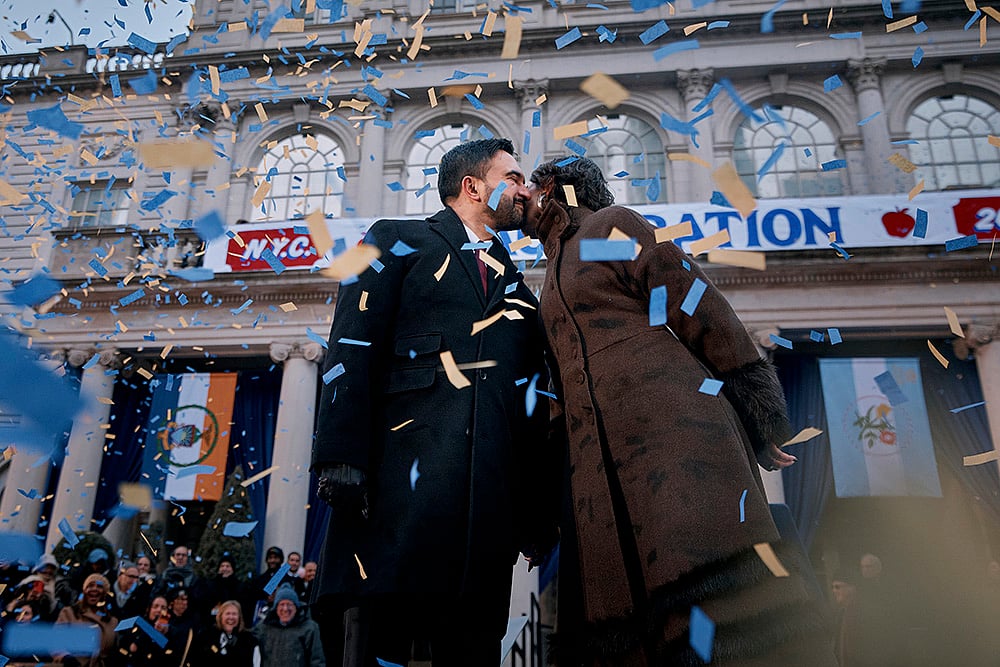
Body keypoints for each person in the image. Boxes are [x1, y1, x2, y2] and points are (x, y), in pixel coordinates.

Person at [522, 156, 835, 666]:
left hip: (677, 437)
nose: (521, 199)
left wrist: (758, 410)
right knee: (627, 619)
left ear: (554, 187)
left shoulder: (611, 224)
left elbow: (694, 301)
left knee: (710, 605)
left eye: (528, 187)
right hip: (605, 468)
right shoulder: (551, 267)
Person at [311, 137, 556, 666]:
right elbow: (350, 344)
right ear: (473, 187)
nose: (525, 189)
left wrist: (537, 514)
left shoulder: (522, 294)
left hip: (481, 533)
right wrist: (340, 457)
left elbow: (532, 408)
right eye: (512, 177)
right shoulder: (394, 239)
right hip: (395, 507)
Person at [55, 573, 119, 667]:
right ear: (84, 590)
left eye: (99, 586)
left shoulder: (113, 621)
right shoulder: (69, 613)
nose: (94, 589)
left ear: (105, 593)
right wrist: (65, 657)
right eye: (90, 585)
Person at [252, 585, 324, 667]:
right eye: (282, 604)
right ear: (276, 608)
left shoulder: (309, 629)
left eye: (289, 604)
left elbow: (317, 660)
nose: (285, 609)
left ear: (296, 607)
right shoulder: (264, 628)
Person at [195, 599, 258, 667]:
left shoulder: (249, 641)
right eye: (227, 613)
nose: (231, 617)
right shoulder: (206, 637)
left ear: (239, 617)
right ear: (220, 616)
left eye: (234, 614)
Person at [118, 595, 172, 667]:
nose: (159, 610)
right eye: (155, 606)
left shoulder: (171, 632)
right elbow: (132, 648)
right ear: (149, 609)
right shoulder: (138, 625)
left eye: (163, 608)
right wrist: (151, 630)